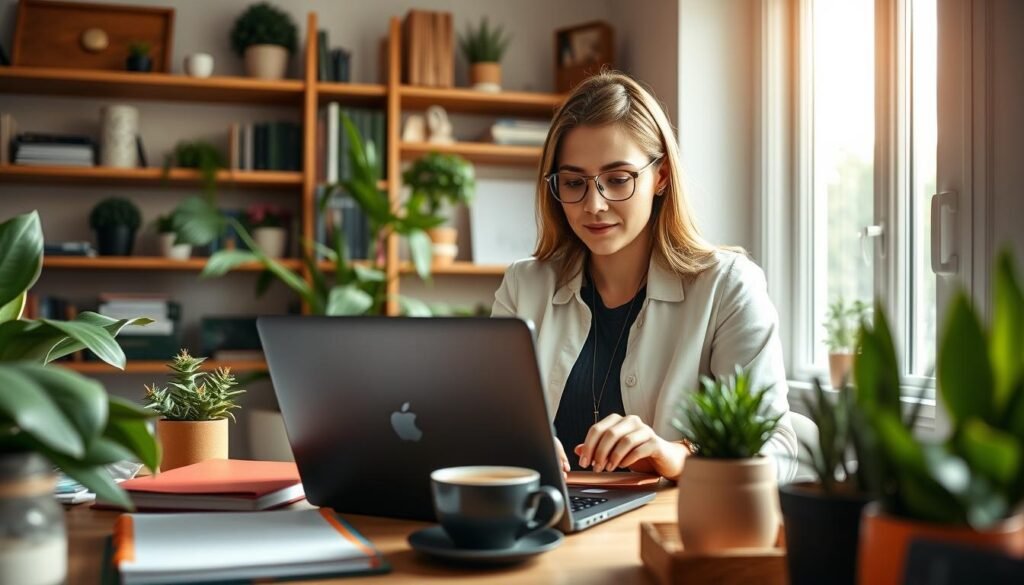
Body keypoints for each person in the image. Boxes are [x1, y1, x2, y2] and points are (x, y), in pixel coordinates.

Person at [491, 71, 798, 482]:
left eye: (618, 179)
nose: (594, 204)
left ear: (662, 176)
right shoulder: (522, 286)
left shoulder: (728, 286)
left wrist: (673, 454)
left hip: (663, 533)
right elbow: (485, 426)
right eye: (573, 182)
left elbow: (778, 449)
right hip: (544, 525)